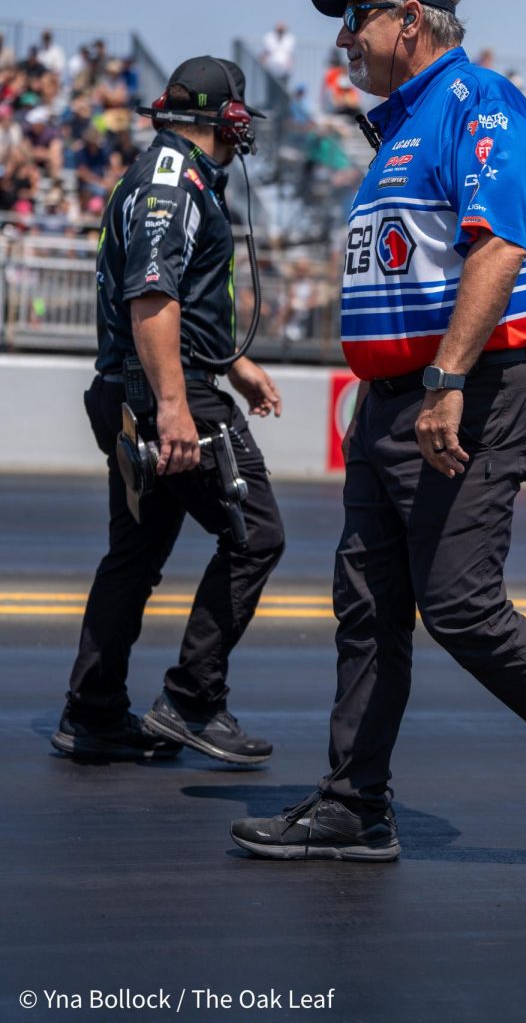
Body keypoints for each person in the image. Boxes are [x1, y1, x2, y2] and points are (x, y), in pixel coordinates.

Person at [230, 0, 526, 866]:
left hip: (468, 395)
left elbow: (498, 247)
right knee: (366, 606)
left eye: (354, 18)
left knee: (461, 607)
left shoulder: (482, 104)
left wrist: (441, 380)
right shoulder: (398, 128)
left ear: (408, 20)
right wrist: (389, 391)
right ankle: (356, 802)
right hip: (394, 403)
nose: (344, 38)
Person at [51, 56, 286, 764]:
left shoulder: (152, 174)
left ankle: (91, 712)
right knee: (256, 537)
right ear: (228, 120)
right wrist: (177, 407)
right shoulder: (172, 184)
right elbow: (153, 297)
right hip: (165, 392)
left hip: (131, 388)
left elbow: (170, 297)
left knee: (135, 554)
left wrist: (233, 362)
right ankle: (192, 699)